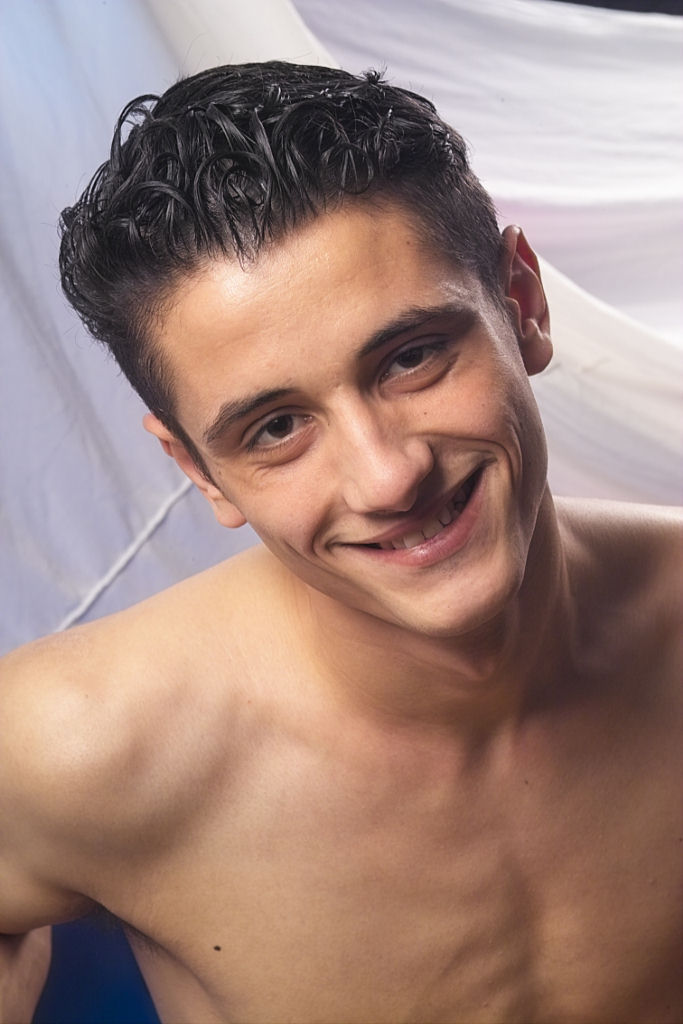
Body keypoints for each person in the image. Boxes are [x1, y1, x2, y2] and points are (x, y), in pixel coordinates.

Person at [1, 61, 681, 1024]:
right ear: (198, 468)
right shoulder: (77, 744)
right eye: (275, 427)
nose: (387, 477)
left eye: (411, 358)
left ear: (521, 304)